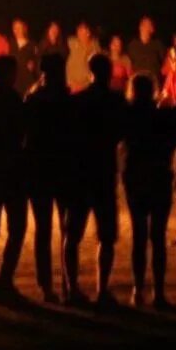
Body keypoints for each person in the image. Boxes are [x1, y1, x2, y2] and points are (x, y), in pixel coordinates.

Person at [63, 54, 124, 307]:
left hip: (80, 172)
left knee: (73, 234)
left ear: (90, 71)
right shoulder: (115, 101)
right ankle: (101, 290)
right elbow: (121, 133)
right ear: (109, 72)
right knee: (106, 236)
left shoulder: (77, 101)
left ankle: (73, 288)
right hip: (103, 172)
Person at [123, 73, 176, 307]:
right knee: (158, 235)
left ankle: (138, 289)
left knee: (139, 235)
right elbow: (173, 140)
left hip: (136, 175)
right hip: (158, 174)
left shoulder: (128, 115)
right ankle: (158, 291)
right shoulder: (162, 116)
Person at [25, 52, 71, 302]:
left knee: (44, 229)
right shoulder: (65, 99)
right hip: (61, 168)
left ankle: (48, 286)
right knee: (66, 229)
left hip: (39, 169)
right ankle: (67, 283)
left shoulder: (33, 98)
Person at [0, 54, 28, 297]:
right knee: (17, 227)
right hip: (10, 169)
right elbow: (22, 131)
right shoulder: (12, 98)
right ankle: (4, 278)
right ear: (9, 74)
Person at [126, 16, 164, 88]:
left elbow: (164, 64)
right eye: (146, 25)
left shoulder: (158, 45)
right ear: (140, 27)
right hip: (137, 83)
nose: (149, 28)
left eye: (150, 25)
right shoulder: (132, 45)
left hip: (153, 83)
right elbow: (128, 65)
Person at [65, 22, 100, 92]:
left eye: (81, 30)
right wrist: (70, 84)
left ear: (88, 32)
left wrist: (84, 86)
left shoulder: (95, 48)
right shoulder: (72, 42)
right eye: (78, 30)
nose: (78, 33)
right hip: (70, 86)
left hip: (86, 88)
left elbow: (95, 72)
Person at [11, 18, 38, 95]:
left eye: (19, 27)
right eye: (15, 28)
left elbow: (37, 61)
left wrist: (33, 64)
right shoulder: (9, 43)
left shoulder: (32, 45)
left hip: (27, 83)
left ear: (24, 28)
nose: (17, 30)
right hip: (13, 83)